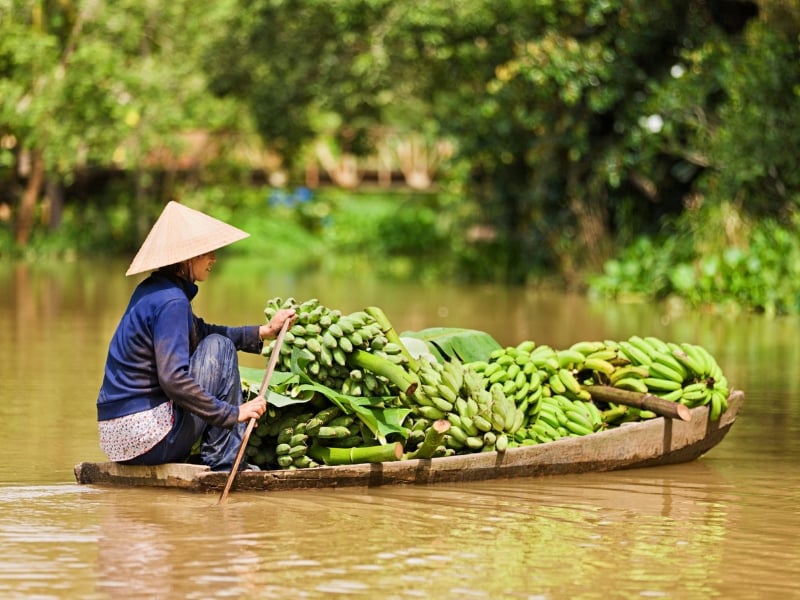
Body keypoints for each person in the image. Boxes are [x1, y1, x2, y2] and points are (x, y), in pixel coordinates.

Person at [96, 201, 295, 472]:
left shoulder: (152, 291)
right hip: (145, 438)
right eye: (207, 252)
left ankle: (213, 452)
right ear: (187, 258)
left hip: (115, 438)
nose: (213, 258)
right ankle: (225, 462)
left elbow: (201, 332)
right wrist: (233, 414)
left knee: (215, 341)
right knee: (220, 347)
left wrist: (264, 332)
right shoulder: (172, 302)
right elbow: (173, 379)